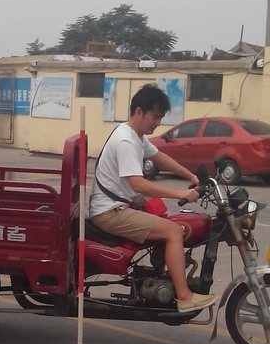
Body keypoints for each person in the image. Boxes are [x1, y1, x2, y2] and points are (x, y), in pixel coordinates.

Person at [89, 84, 217, 313]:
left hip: (118, 205)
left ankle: (163, 278)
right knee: (172, 231)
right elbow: (138, 184)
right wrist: (181, 193)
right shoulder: (126, 141)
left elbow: (160, 157)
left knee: (173, 222)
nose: (158, 123)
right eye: (155, 117)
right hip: (110, 212)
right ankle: (185, 296)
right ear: (139, 111)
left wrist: (191, 176)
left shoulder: (135, 135)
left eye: (160, 117)